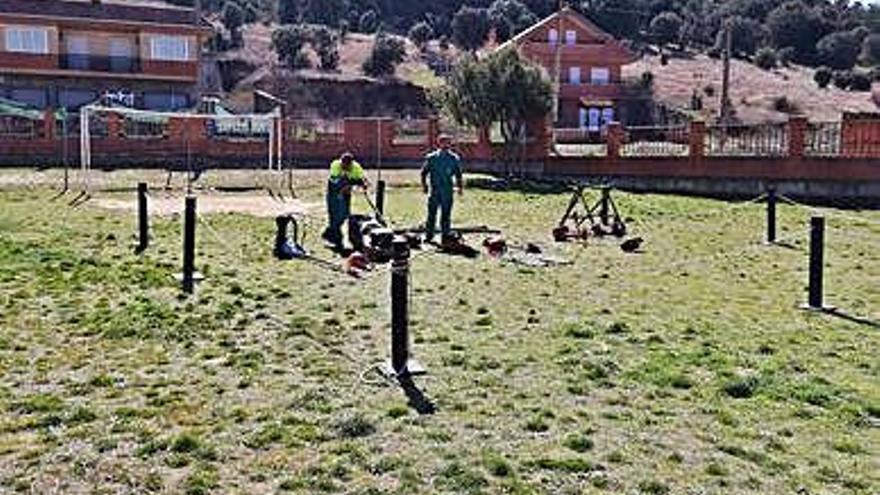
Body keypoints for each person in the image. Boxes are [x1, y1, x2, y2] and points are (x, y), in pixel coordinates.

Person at [421, 135, 463, 243]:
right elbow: (424, 172)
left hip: (447, 191)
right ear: (438, 143)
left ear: (450, 144)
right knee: (431, 214)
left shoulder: (454, 158)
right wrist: (424, 186)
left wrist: (460, 187)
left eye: (448, 142)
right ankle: (429, 236)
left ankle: (445, 236)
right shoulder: (432, 157)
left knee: (446, 215)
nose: (445, 145)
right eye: (443, 142)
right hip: (434, 191)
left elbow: (458, 174)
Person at [322, 152, 367, 250]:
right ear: (341, 163)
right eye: (344, 165)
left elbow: (361, 179)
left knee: (345, 214)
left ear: (351, 163)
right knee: (334, 214)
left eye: (348, 166)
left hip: (346, 192)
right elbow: (335, 181)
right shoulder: (335, 165)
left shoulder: (356, 167)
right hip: (334, 191)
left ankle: (329, 233)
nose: (345, 167)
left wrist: (363, 184)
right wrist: (347, 186)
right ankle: (335, 238)